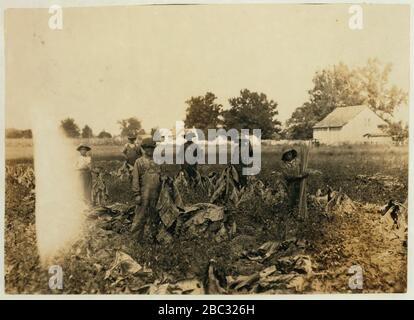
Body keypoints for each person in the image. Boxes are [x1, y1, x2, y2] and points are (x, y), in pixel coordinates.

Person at [130, 137, 162, 241]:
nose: (150, 150)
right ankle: (136, 239)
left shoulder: (157, 161)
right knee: (140, 215)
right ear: (144, 149)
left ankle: (153, 237)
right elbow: (135, 179)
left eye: (152, 148)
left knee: (154, 215)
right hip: (144, 193)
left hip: (156, 193)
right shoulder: (139, 162)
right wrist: (137, 194)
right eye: (147, 148)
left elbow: (161, 177)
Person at [280, 147, 308, 211]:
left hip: (300, 183)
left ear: (292, 154)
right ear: (284, 156)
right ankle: (291, 212)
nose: (289, 155)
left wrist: (305, 174)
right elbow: (287, 176)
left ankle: (301, 210)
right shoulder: (283, 164)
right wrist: (299, 176)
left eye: (290, 154)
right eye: (287, 154)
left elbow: (303, 170)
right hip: (290, 184)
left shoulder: (298, 161)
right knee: (292, 199)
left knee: (301, 197)